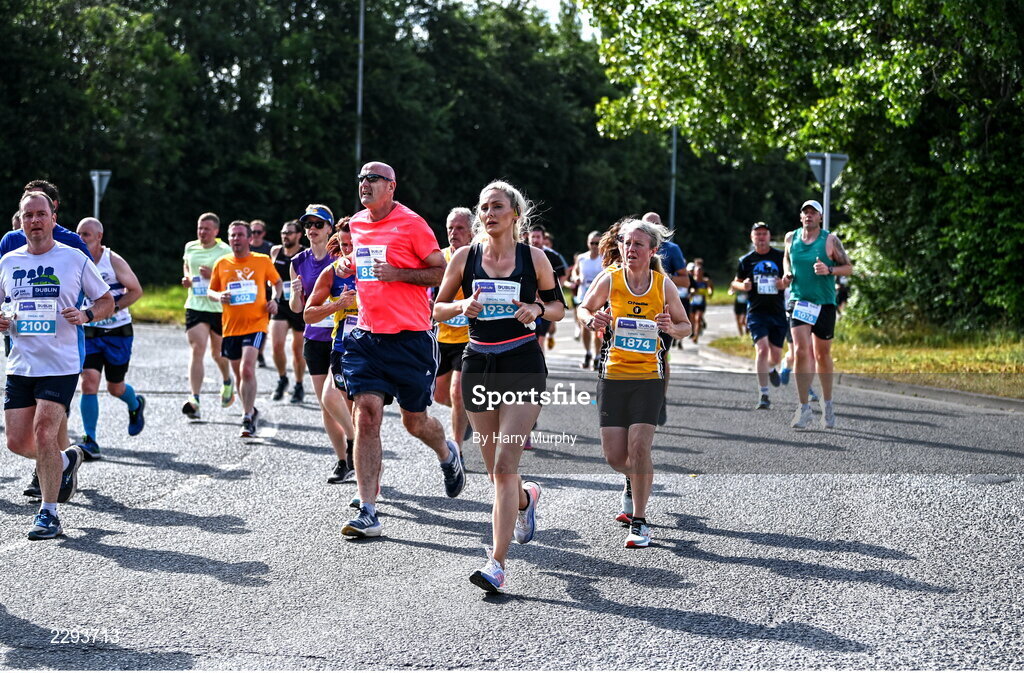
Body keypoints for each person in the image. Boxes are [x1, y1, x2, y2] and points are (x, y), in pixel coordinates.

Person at [434, 180, 565, 591]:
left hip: (523, 362)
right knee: (495, 472)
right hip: (478, 363)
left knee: (506, 466)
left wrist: (536, 308)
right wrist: (460, 306)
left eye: (497, 207)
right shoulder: (464, 257)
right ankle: (526, 500)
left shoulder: (534, 257)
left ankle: (496, 562)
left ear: (515, 214)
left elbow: (560, 307)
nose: (488, 214)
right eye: (484, 207)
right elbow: (436, 308)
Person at [336, 161, 465, 539]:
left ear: (391, 186)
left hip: (411, 338)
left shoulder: (412, 224)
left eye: (373, 179)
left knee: (415, 423)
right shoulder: (358, 223)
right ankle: (368, 509)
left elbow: (442, 272)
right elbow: (360, 264)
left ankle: (448, 452)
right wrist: (348, 264)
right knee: (368, 414)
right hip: (366, 335)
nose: (365, 184)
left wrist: (399, 275)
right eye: (361, 179)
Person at [1, 191, 114, 539]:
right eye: (28, 215)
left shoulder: (74, 258)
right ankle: (66, 461)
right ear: (20, 221)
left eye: (40, 214)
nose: (34, 221)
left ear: (53, 218)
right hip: (20, 365)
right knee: (17, 443)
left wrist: (86, 315)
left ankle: (48, 513)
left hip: (60, 364)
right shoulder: (8, 261)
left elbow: (107, 300)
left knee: (44, 432)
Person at [577, 218, 691, 548]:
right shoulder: (610, 279)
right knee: (615, 457)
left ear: (653, 250)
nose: (631, 249)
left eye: (638, 244)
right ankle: (633, 477)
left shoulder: (662, 285)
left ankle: (639, 522)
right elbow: (583, 308)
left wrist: (671, 327)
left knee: (640, 447)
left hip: (648, 377)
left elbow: (686, 327)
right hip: (612, 375)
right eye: (627, 243)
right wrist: (591, 319)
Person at [291, 205, 356, 484]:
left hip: (344, 336)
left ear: (329, 228)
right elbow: (299, 308)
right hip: (315, 336)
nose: (312, 229)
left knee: (344, 400)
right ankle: (344, 460)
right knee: (326, 403)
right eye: (308, 224)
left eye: (319, 224)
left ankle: (358, 450)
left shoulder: (341, 258)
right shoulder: (299, 261)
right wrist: (295, 296)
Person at [73, 218, 146, 459]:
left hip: (117, 331)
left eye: (86, 235)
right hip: (90, 330)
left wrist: (111, 308)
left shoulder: (112, 260)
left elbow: (135, 290)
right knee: (89, 382)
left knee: (115, 388)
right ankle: (90, 439)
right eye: (78, 234)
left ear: (99, 237)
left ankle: (135, 404)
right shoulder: (73, 258)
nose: (81, 239)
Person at [207, 220, 283, 437]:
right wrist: (219, 296)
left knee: (247, 368)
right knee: (239, 376)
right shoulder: (221, 263)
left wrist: (275, 300)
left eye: (240, 235)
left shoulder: (262, 260)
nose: (236, 239)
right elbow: (211, 291)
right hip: (231, 328)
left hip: (257, 323)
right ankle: (251, 409)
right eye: (232, 236)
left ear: (249, 239)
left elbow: (277, 283)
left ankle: (247, 417)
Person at [784, 199, 853, 429]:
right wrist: (787, 272)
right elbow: (786, 257)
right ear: (800, 216)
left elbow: (849, 268)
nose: (809, 216)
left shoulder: (830, 240)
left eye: (814, 213)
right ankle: (803, 408)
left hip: (824, 303)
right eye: (806, 212)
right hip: (799, 301)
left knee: (822, 355)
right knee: (801, 351)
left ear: (820, 218)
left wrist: (829, 269)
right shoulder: (790, 238)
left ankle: (828, 403)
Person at [181, 213, 234, 420]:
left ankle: (227, 380)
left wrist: (211, 275)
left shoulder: (225, 251)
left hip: (218, 308)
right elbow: (187, 264)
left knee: (218, 354)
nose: (202, 232)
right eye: (200, 228)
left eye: (207, 229)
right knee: (197, 349)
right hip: (195, 305)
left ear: (216, 231)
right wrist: (187, 277)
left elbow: (230, 277)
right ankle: (194, 399)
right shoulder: (190, 247)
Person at [731, 222, 788, 410]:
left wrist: (783, 283)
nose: (761, 237)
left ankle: (772, 369)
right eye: (758, 234)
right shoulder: (746, 260)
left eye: (764, 234)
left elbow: (790, 278)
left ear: (769, 236)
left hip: (778, 312)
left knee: (776, 356)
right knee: (762, 350)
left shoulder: (781, 257)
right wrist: (743, 286)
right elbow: (735, 283)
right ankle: (764, 394)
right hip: (756, 311)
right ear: (752, 237)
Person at [433, 208, 473, 447]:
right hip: (442, 335)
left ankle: (456, 447)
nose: (453, 233)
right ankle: (466, 416)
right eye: (450, 228)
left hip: (468, 337)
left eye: (459, 228)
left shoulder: (478, 257)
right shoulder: (439, 258)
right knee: (440, 395)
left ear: (471, 232)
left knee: (458, 391)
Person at [269, 220, 305, 403]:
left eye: (289, 233)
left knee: (298, 351)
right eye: (283, 232)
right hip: (281, 304)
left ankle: (299, 384)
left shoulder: (305, 254)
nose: (285, 236)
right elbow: (270, 275)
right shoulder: (275, 252)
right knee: (276, 345)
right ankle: (282, 378)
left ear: (298, 235)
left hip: (299, 306)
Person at [528, 224, 567, 351]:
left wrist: (553, 292)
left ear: (544, 238)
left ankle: (540, 368)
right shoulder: (521, 254)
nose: (535, 240)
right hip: (528, 302)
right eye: (532, 237)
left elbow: (563, 274)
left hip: (545, 303)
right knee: (530, 338)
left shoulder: (552, 256)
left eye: (538, 237)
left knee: (540, 338)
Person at [569, 230, 604, 370]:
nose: (595, 246)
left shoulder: (604, 258)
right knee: (584, 326)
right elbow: (574, 271)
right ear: (588, 243)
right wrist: (576, 277)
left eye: (597, 243)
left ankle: (597, 356)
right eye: (592, 243)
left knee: (597, 328)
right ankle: (587, 353)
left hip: (599, 297)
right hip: (583, 296)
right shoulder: (582, 258)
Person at [688, 258, 713, 343]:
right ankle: (696, 331)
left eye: (700, 271)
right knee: (692, 320)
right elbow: (688, 288)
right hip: (692, 303)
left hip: (701, 303)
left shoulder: (706, 281)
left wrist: (709, 292)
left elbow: (710, 288)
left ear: (702, 272)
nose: (698, 273)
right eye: (697, 271)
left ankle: (696, 337)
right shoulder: (692, 280)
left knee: (698, 318)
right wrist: (691, 291)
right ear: (694, 272)